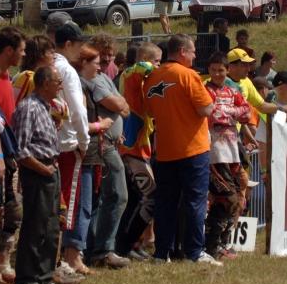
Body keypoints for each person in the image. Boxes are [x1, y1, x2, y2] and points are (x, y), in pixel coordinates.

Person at [143, 34, 217, 265]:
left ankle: (161, 253)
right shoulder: (188, 75)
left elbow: (150, 111)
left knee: (166, 203)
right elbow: (206, 109)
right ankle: (195, 252)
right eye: (193, 51)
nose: (195, 56)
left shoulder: (152, 77)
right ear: (182, 51)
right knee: (195, 201)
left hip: (165, 150)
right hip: (192, 149)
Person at [13, 66, 69, 284]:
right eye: (57, 82)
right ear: (45, 83)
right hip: (37, 172)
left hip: (51, 169)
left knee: (51, 225)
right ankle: (28, 278)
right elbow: (21, 149)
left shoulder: (46, 107)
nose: (61, 86)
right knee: (36, 225)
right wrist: (42, 169)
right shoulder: (29, 108)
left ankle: (45, 277)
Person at [80, 37, 132, 270]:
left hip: (110, 142)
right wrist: (119, 104)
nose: (108, 58)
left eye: (111, 54)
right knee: (118, 195)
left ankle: (95, 248)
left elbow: (126, 108)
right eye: (103, 54)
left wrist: (120, 105)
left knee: (101, 199)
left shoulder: (104, 77)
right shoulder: (91, 79)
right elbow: (118, 105)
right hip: (101, 145)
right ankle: (102, 249)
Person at [51, 22, 93, 274]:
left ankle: (57, 258)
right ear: (68, 44)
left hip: (48, 143)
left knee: (55, 201)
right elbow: (78, 109)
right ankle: (62, 259)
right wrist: (84, 141)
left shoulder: (46, 65)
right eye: (78, 45)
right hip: (67, 143)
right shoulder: (66, 70)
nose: (81, 50)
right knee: (67, 201)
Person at [203, 53, 252, 259]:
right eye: (213, 70)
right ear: (208, 70)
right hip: (214, 152)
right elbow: (212, 114)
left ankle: (222, 243)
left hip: (233, 151)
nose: (217, 74)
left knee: (238, 196)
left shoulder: (233, 91)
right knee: (226, 198)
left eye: (221, 70)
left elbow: (247, 112)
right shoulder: (205, 90)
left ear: (227, 70)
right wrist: (232, 112)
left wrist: (226, 111)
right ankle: (212, 246)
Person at [116, 42, 162, 260]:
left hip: (140, 146)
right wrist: (167, 72)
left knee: (136, 198)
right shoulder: (132, 72)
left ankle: (130, 244)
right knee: (150, 197)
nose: (159, 66)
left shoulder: (140, 79)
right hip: (131, 147)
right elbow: (143, 67)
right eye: (158, 61)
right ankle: (124, 246)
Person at [0, 27, 26, 284]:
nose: (23, 55)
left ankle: (4, 262)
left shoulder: (7, 78)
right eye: (21, 50)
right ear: (9, 50)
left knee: (12, 211)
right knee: (1, 211)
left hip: (11, 153)